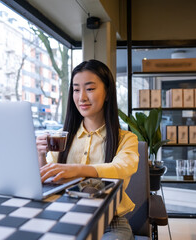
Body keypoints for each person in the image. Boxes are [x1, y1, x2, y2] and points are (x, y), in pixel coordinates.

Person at [36, 59, 139, 240]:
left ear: (107, 93)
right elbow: (47, 178)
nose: (81, 97)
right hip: (64, 214)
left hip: (110, 221)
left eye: (90, 89)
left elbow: (121, 169)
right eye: (76, 89)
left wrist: (76, 169)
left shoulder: (127, 139)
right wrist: (41, 155)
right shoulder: (60, 137)